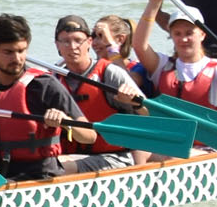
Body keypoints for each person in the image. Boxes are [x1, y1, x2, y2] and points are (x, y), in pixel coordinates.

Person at [0, 14, 79, 183]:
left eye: (21, 51)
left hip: (40, 177)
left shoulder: (45, 86)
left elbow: (89, 135)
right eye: (8, 52)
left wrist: (65, 121)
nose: (17, 59)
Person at [49, 13, 147, 172]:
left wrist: (135, 102)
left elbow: (149, 114)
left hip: (114, 157)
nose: (72, 47)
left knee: (55, 166)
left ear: (88, 42)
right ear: (57, 46)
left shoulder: (110, 73)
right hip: (70, 155)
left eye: (78, 40)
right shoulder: (52, 79)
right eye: (65, 41)